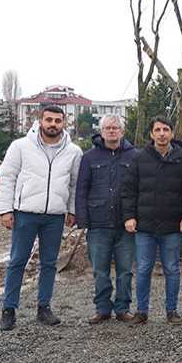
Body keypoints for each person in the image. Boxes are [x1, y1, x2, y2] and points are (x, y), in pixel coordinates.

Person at [0, 106, 83, 330]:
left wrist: (72, 210)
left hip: (54, 216)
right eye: (49, 120)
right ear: (40, 121)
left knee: (49, 263)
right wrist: (5, 210)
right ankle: (9, 309)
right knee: (17, 261)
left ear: (64, 123)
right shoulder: (21, 147)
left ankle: (44, 307)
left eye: (58, 120)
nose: (53, 124)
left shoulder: (73, 152)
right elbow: (7, 177)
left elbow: (74, 184)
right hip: (25, 213)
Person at [121, 116, 182, 325]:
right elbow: (129, 190)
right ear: (151, 134)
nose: (162, 133)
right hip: (145, 226)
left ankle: (172, 311)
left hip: (172, 225)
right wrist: (129, 216)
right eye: (158, 130)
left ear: (172, 133)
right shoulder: (139, 158)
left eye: (166, 129)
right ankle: (142, 311)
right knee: (143, 269)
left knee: (172, 268)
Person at [75, 115, 138, 324]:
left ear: (122, 131)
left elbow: (140, 189)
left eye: (116, 128)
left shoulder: (134, 156)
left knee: (125, 270)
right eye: (108, 128)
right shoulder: (89, 158)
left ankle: (122, 308)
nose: (112, 131)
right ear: (101, 132)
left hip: (126, 224)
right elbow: (81, 189)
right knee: (100, 270)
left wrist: (137, 217)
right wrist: (83, 220)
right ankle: (102, 308)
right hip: (98, 223)